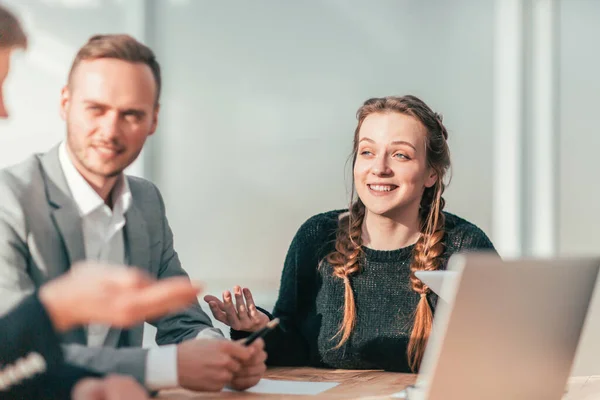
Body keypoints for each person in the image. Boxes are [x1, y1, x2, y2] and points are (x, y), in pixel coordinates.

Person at [0, 31, 266, 391]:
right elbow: (15, 351)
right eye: (96, 109)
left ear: (153, 121)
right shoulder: (9, 198)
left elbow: (181, 320)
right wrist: (165, 366)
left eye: (131, 115)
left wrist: (221, 355)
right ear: (65, 103)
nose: (110, 131)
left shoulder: (145, 202)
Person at [204, 95, 496, 373]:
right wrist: (256, 326)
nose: (379, 168)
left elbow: (507, 352)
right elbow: (291, 348)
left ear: (431, 173)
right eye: (367, 152)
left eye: (400, 155)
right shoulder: (317, 237)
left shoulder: (465, 247)